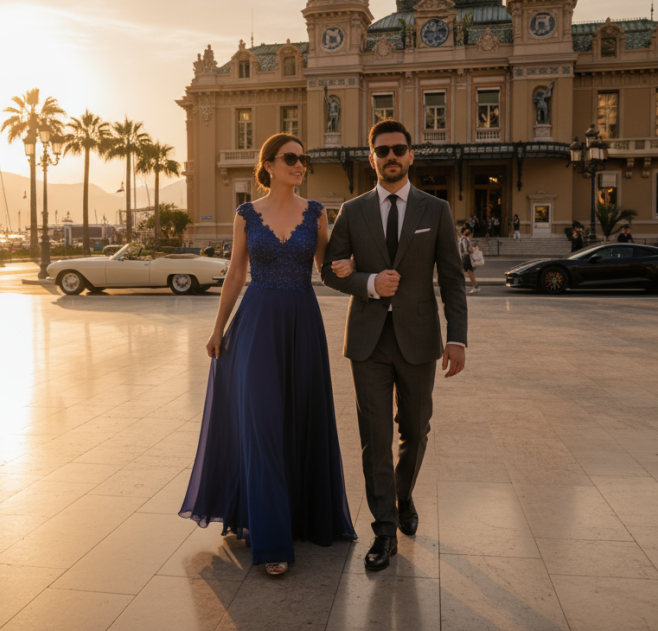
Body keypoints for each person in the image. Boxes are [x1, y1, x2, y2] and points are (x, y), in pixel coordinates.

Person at [180, 133, 357, 577]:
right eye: (291, 158)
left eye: (304, 159)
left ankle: (300, 517)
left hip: (302, 324)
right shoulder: (245, 214)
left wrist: (349, 268)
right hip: (256, 325)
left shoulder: (317, 213)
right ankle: (272, 540)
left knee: (301, 419)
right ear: (269, 165)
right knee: (261, 426)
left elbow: (326, 268)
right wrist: (218, 328)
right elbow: (237, 273)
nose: (300, 165)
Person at [322, 120, 468, 572]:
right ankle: (384, 529)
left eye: (398, 150)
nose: (391, 157)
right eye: (382, 150)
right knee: (375, 439)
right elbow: (330, 270)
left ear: (410, 156)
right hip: (367, 341)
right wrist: (368, 283)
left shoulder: (435, 210)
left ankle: (403, 495)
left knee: (416, 430)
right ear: (372, 158)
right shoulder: (353, 210)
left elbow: (451, 278)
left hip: (420, 340)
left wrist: (458, 337)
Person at [459, 226, 480, 294]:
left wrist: (471, 250)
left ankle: (461, 287)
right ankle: (475, 286)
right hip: (466, 257)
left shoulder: (463, 239)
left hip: (465, 257)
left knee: (462, 272)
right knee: (469, 272)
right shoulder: (465, 239)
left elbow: (466, 249)